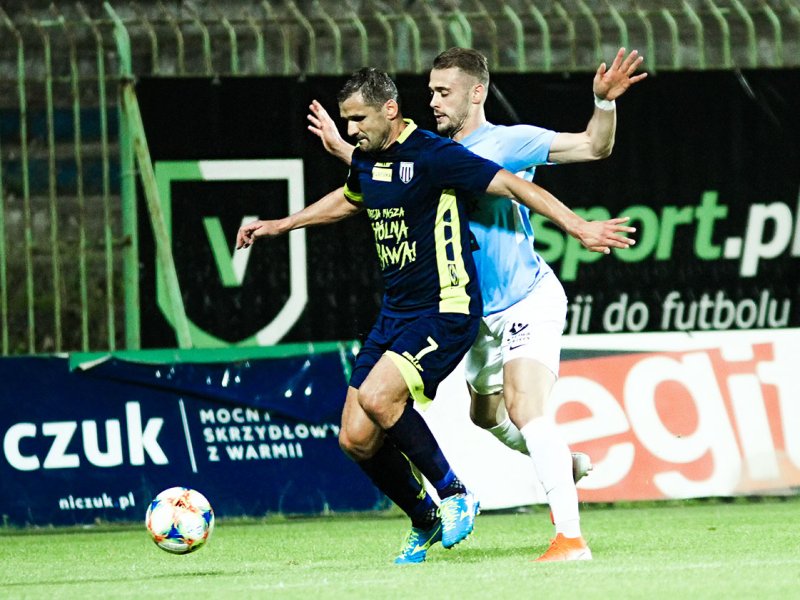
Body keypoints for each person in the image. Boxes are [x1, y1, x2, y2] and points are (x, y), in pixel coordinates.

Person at [240, 67, 633, 564]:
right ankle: (549, 461)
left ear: (476, 92)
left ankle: (568, 538)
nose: (432, 101)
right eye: (430, 92)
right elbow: (381, 177)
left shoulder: (500, 144)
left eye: (443, 92)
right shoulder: (417, 150)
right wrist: (308, 195)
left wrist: (601, 112)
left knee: (524, 407)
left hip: (514, 299)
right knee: (477, 418)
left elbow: (583, 152)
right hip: (463, 314)